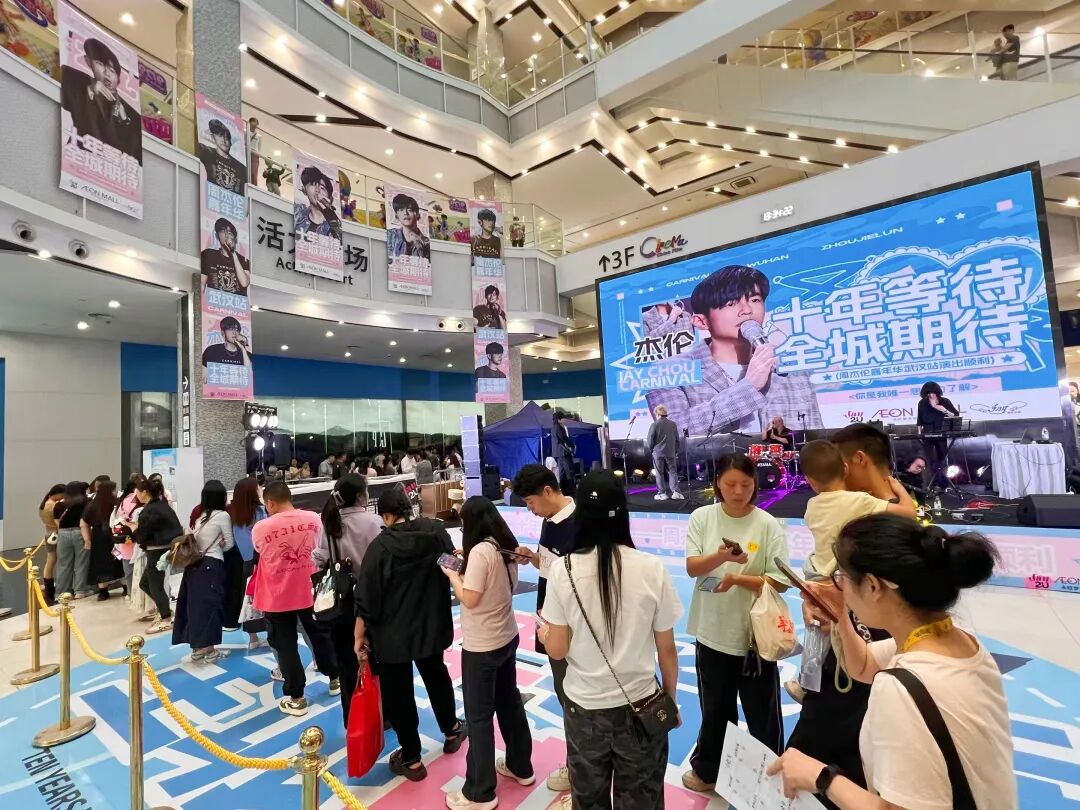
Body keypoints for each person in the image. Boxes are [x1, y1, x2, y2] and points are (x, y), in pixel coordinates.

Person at [768, 515, 1017, 810]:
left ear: (873, 586)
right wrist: (841, 616)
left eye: (842, 577)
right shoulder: (959, 641)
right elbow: (863, 666)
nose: (839, 586)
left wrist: (822, 778)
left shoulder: (900, 688)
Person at [540, 470, 682, 808]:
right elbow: (667, 649)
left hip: (585, 710)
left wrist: (545, 633)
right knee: (642, 800)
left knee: (589, 799)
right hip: (641, 707)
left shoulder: (563, 569)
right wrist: (670, 700)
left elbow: (557, 650)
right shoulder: (651, 568)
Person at [783, 422, 901, 804]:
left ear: (856, 462)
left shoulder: (890, 526)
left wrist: (838, 598)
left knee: (821, 749)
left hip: (867, 669)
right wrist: (818, 599)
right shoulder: (860, 514)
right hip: (846, 663)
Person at [681, 453, 790, 793]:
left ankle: (771, 775)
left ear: (755, 484)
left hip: (755, 636)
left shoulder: (767, 524)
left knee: (763, 713)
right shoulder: (702, 517)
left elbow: (780, 581)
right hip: (712, 631)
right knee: (715, 709)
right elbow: (693, 567)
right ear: (717, 483)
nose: (738, 491)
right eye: (730, 484)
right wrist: (722, 556)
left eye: (746, 484)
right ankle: (709, 769)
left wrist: (738, 579)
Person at [785, 440, 916, 704]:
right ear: (845, 468)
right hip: (839, 575)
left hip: (816, 572)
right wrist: (898, 489)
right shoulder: (859, 501)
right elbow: (908, 513)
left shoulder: (812, 506)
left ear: (809, 481)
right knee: (842, 631)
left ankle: (806, 681)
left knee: (818, 630)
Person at [353, 488, 465, 782]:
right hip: (431, 624)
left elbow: (366, 598)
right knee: (437, 675)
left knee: (398, 692)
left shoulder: (379, 548)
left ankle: (412, 759)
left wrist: (359, 636)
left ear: (386, 516)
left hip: (392, 634)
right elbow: (454, 567)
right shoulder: (435, 532)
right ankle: (452, 730)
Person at [646, 265, 823, 436]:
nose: (747, 310)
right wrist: (749, 387)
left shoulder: (790, 368)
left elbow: (816, 441)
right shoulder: (667, 369)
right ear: (701, 321)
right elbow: (672, 432)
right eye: (731, 303)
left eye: (754, 300)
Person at [440, 497, 533, 808]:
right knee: (509, 702)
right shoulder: (504, 547)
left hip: (482, 646)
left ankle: (480, 791)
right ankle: (521, 766)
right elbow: (499, 582)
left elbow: (469, 598)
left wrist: (453, 575)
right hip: (507, 637)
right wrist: (467, 560)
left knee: (479, 718)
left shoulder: (481, 552)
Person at [510, 464, 576, 793]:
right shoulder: (550, 520)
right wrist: (532, 556)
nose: (530, 509)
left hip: (571, 629)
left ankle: (579, 767)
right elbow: (549, 564)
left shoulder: (579, 523)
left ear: (548, 491)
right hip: (549, 621)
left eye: (530, 502)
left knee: (574, 696)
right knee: (565, 695)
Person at [253, 483, 340, 716]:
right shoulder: (314, 519)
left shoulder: (261, 528)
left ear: (270, 503)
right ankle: (335, 678)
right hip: (311, 591)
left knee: (285, 647)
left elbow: (261, 552)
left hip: (277, 596)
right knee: (321, 637)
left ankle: (297, 698)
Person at [313, 474, 379, 726]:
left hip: (340, 604)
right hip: (371, 600)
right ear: (361, 496)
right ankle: (381, 716)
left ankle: (352, 719)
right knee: (376, 660)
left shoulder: (329, 523)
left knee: (346, 662)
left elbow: (319, 560)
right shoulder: (373, 522)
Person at [173, 481, 233, 664]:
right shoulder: (223, 516)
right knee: (211, 607)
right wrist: (220, 547)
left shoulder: (201, 516)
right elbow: (230, 543)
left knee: (194, 607)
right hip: (211, 565)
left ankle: (197, 649)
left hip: (194, 566)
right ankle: (211, 651)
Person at [60, 38, 142, 161]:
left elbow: (135, 151)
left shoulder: (132, 115)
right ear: (88, 62)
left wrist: (125, 119)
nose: (107, 73)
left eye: (112, 70)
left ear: (119, 79)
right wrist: (90, 91)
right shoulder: (75, 79)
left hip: (112, 166)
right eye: (100, 64)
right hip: (78, 159)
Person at [135, 478, 184, 634]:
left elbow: (142, 536)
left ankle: (166, 618)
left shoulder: (148, 511)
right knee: (145, 583)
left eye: (138, 491)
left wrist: (133, 529)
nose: (136, 494)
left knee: (154, 584)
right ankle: (164, 609)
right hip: (166, 549)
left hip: (155, 550)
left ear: (144, 492)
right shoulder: (164, 506)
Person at [229, 477, 268, 650]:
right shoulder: (260, 511)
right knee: (267, 599)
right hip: (261, 560)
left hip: (245, 562)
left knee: (249, 600)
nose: (260, 489)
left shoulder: (234, 514)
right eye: (258, 487)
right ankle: (270, 634)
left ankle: (253, 638)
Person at [81, 479, 123, 600]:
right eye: (114, 489)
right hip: (116, 535)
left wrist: (87, 540)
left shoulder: (92, 505)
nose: (115, 491)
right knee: (119, 559)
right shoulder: (117, 503)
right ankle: (125, 587)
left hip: (98, 537)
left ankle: (103, 592)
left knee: (100, 563)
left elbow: (83, 523)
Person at [53, 481, 92, 600]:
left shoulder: (59, 505)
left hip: (63, 534)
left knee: (63, 564)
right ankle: (80, 590)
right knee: (81, 562)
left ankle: (61, 593)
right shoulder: (86, 502)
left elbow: (57, 523)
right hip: (80, 532)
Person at [917, 381, 959, 485]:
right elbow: (919, 420)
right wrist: (919, 434)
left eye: (933, 393)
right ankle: (933, 482)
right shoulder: (922, 403)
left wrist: (943, 410)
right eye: (929, 393)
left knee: (942, 457)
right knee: (929, 459)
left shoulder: (945, 401)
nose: (931, 395)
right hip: (927, 432)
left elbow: (955, 415)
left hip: (941, 432)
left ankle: (944, 481)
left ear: (937, 392)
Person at [201, 217, 251, 295]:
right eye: (223, 231)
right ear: (217, 235)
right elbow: (201, 284)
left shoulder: (243, 260)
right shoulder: (208, 254)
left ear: (234, 237)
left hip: (237, 301)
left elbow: (244, 283)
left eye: (230, 232)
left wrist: (233, 253)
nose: (227, 235)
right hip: (214, 301)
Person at [198, 118, 246, 194]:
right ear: (212, 137)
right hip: (210, 195)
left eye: (227, 138)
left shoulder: (241, 168)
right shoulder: (207, 152)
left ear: (231, 142)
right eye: (220, 135)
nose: (224, 140)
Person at [295, 166, 343, 241]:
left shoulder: (333, 225)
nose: (317, 190)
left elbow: (339, 239)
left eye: (322, 188)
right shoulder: (298, 213)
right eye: (313, 184)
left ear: (330, 198)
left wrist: (329, 211)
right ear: (304, 190)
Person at [201, 315, 251, 382]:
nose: (234, 333)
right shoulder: (211, 350)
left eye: (236, 329)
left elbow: (248, 379)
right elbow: (203, 379)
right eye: (230, 329)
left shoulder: (247, 355)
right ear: (223, 333)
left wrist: (243, 349)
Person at [646, 404, 681, 501]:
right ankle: (676, 492)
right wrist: (676, 450)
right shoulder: (673, 424)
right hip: (671, 452)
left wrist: (651, 449)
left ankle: (662, 493)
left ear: (657, 414)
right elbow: (677, 440)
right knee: (673, 472)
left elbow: (650, 440)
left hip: (658, 453)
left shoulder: (654, 424)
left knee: (659, 473)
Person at [38, 483, 66, 605]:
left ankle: (49, 590)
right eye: (62, 495)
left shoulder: (43, 504)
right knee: (53, 561)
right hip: (55, 534)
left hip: (48, 534)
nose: (63, 497)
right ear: (57, 493)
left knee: (50, 561)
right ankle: (51, 590)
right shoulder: (52, 505)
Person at [387, 193, 430, 259]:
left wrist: (419, 245)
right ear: (396, 215)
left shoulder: (426, 242)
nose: (405, 213)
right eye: (401, 210)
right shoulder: (391, 235)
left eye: (410, 210)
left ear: (417, 214)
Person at [552, 411, 576, 495]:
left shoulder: (553, 427)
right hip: (562, 452)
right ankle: (570, 490)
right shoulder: (558, 427)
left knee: (562, 472)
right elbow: (563, 438)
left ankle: (564, 490)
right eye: (563, 418)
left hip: (557, 453)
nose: (564, 420)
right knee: (568, 470)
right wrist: (572, 445)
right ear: (559, 419)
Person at [247, 117, 261, 186]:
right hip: (246, 152)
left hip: (254, 154)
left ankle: (254, 186)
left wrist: (257, 155)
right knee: (246, 169)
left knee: (253, 171)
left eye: (256, 123)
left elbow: (259, 147)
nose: (255, 124)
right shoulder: (245, 131)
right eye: (253, 122)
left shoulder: (259, 136)